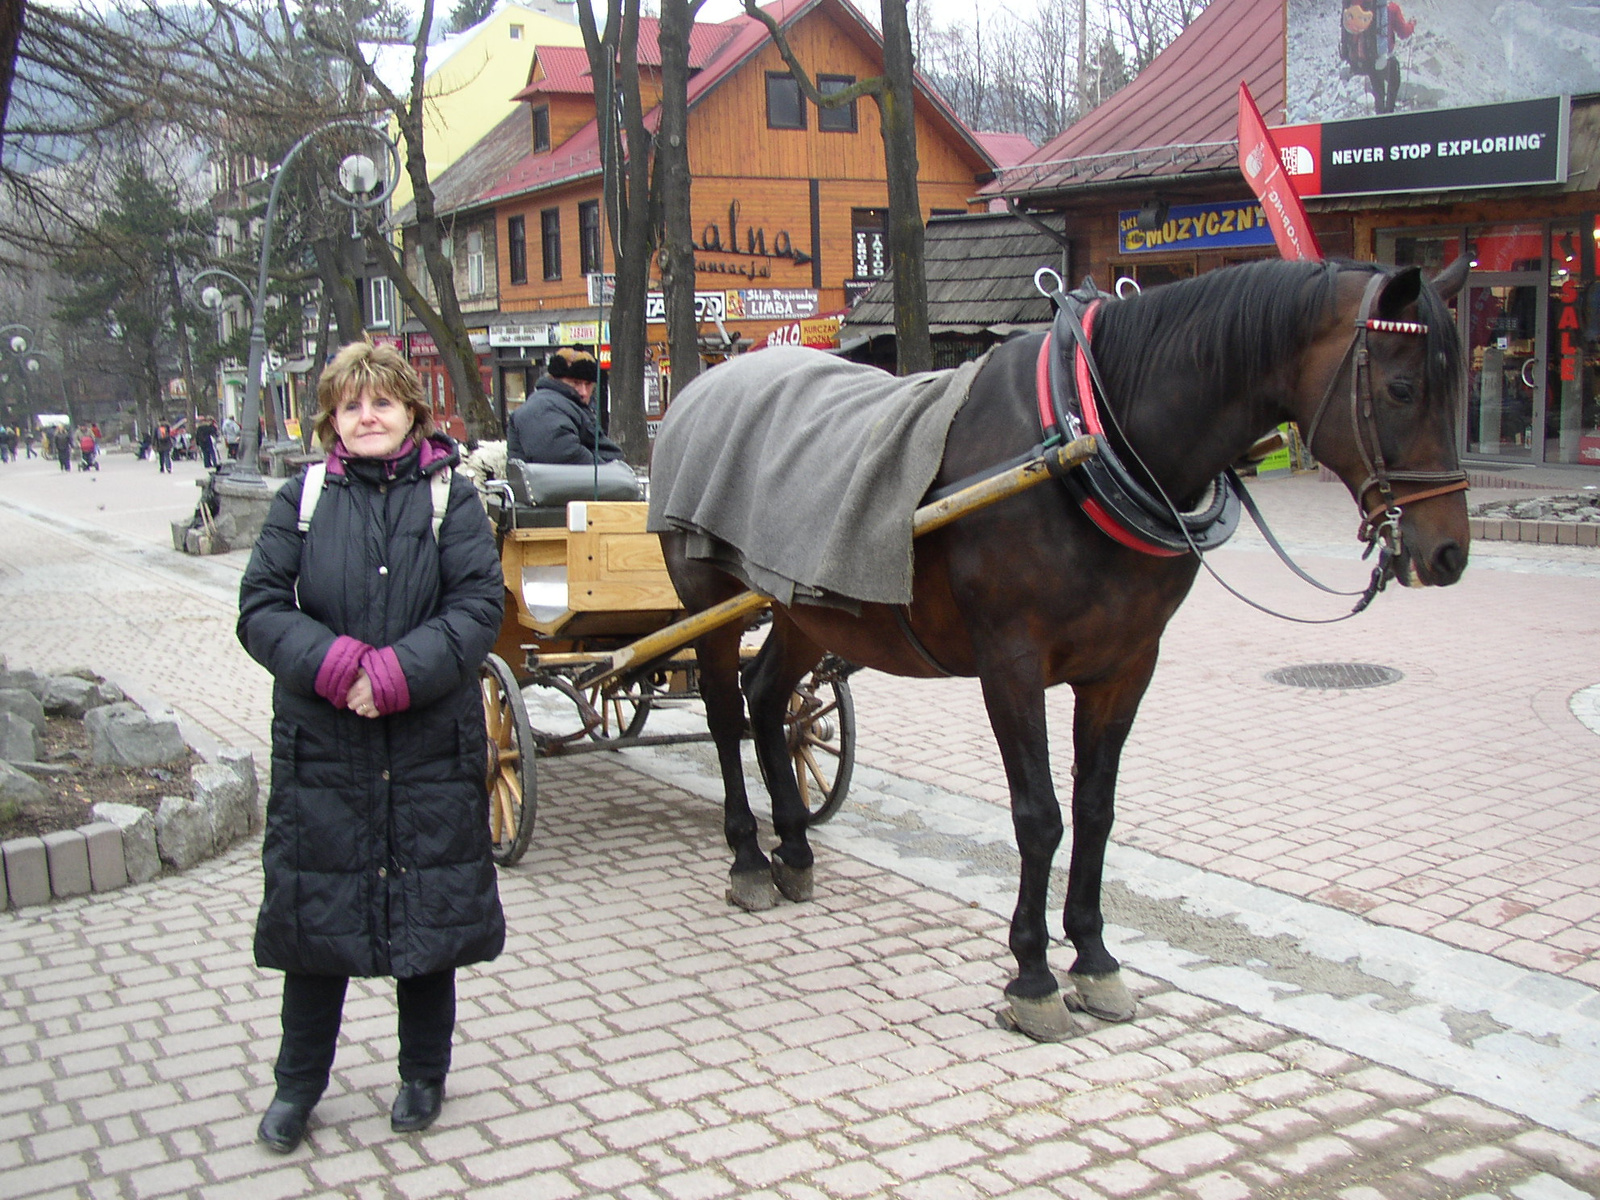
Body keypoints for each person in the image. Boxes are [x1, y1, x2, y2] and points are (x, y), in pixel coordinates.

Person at [237, 341, 505, 1155]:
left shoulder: (449, 500)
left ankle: (423, 1074)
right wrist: (340, 664)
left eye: (382, 402)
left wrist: (395, 674)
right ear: (332, 419)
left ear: (410, 412)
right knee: (316, 924)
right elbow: (259, 607)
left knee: (426, 925)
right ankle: (298, 1087)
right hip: (327, 748)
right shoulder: (303, 498)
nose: (367, 416)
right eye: (351, 405)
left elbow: (476, 606)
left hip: (426, 742)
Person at [505, 345, 624, 466]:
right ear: (556, 380)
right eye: (576, 383)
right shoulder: (543, 407)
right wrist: (611, 474)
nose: (583, 392)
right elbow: (563, 454)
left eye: (588, 384)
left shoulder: (563, 406)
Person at [1340, 0, 1413, 114]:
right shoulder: (1390, 8)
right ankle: (1389, 112)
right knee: (1394, 77)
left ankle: (1380, 114)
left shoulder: (1356, 6)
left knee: (1377, 88)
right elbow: (1403, 33)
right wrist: (1412, 25)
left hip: (1364, 61)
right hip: (1382, 59)